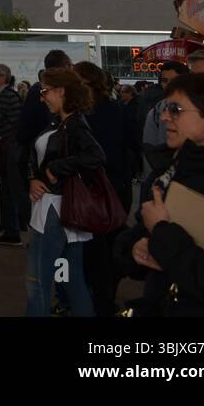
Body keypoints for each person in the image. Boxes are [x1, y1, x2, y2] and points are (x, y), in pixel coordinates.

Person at [115, 72, 204, 315]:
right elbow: (138, 238)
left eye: (176, 110)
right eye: (165, 108)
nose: (164, 117)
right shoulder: (170, 172)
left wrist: (162, 234)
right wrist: (134, 251)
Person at [25, 67, 104, 317]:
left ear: (61, 91)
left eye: (45, 91)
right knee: (70, 279)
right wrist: (35, 177)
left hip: (55, 213)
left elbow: (95, 156)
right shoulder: (64, 122)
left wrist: (53, 169)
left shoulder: (74, 125)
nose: (42, 96)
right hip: (61, 212)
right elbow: (39, 157)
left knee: (37, 280)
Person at [74, 61, 130, 316]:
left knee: (94, 252)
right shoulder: (117, 109)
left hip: (94, 191)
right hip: (116, 187)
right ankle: (104, 299)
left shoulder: (85, 114)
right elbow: (131, 148)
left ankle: (97, 302)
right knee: (108, 249)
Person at [0, 62, 26, 246]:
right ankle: (8, 224)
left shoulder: (5, 96)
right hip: (10, 148)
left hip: (9, 149)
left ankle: (12, 231)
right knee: (6, 188)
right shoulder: (9, 95)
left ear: (4, 77)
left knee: (9, 190)